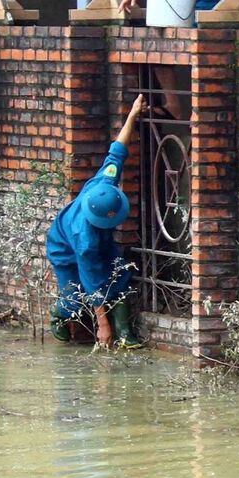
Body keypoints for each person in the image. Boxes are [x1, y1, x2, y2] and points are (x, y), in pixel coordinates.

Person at [47, 95, 147, 349]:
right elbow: (92, 284)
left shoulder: (104, 184)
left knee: (118, 275)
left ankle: (126, 334)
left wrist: (132, 116)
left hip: (96, 238)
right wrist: (103, 326)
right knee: (76, 299)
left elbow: (116, 153)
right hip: (64, 248)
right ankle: (59, 315)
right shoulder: (86, 240)